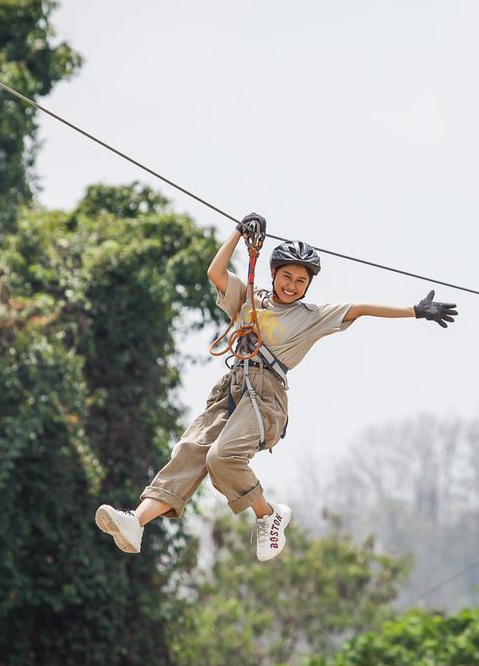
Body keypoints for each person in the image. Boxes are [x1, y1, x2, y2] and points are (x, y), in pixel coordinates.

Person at [95, 212, 457, 561]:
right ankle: (136, 521)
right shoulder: (250, 297)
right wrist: (239, 232)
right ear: (273, 273)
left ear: (309, 286)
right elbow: (215, 272)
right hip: (231, 387)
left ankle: (269, 515)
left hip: (265, 397)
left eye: (301, 281)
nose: (292, 285)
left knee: (221, 457)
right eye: (286, 277)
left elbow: (360, 307)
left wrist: (414, 310)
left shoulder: (311, 316)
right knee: (191, 450)